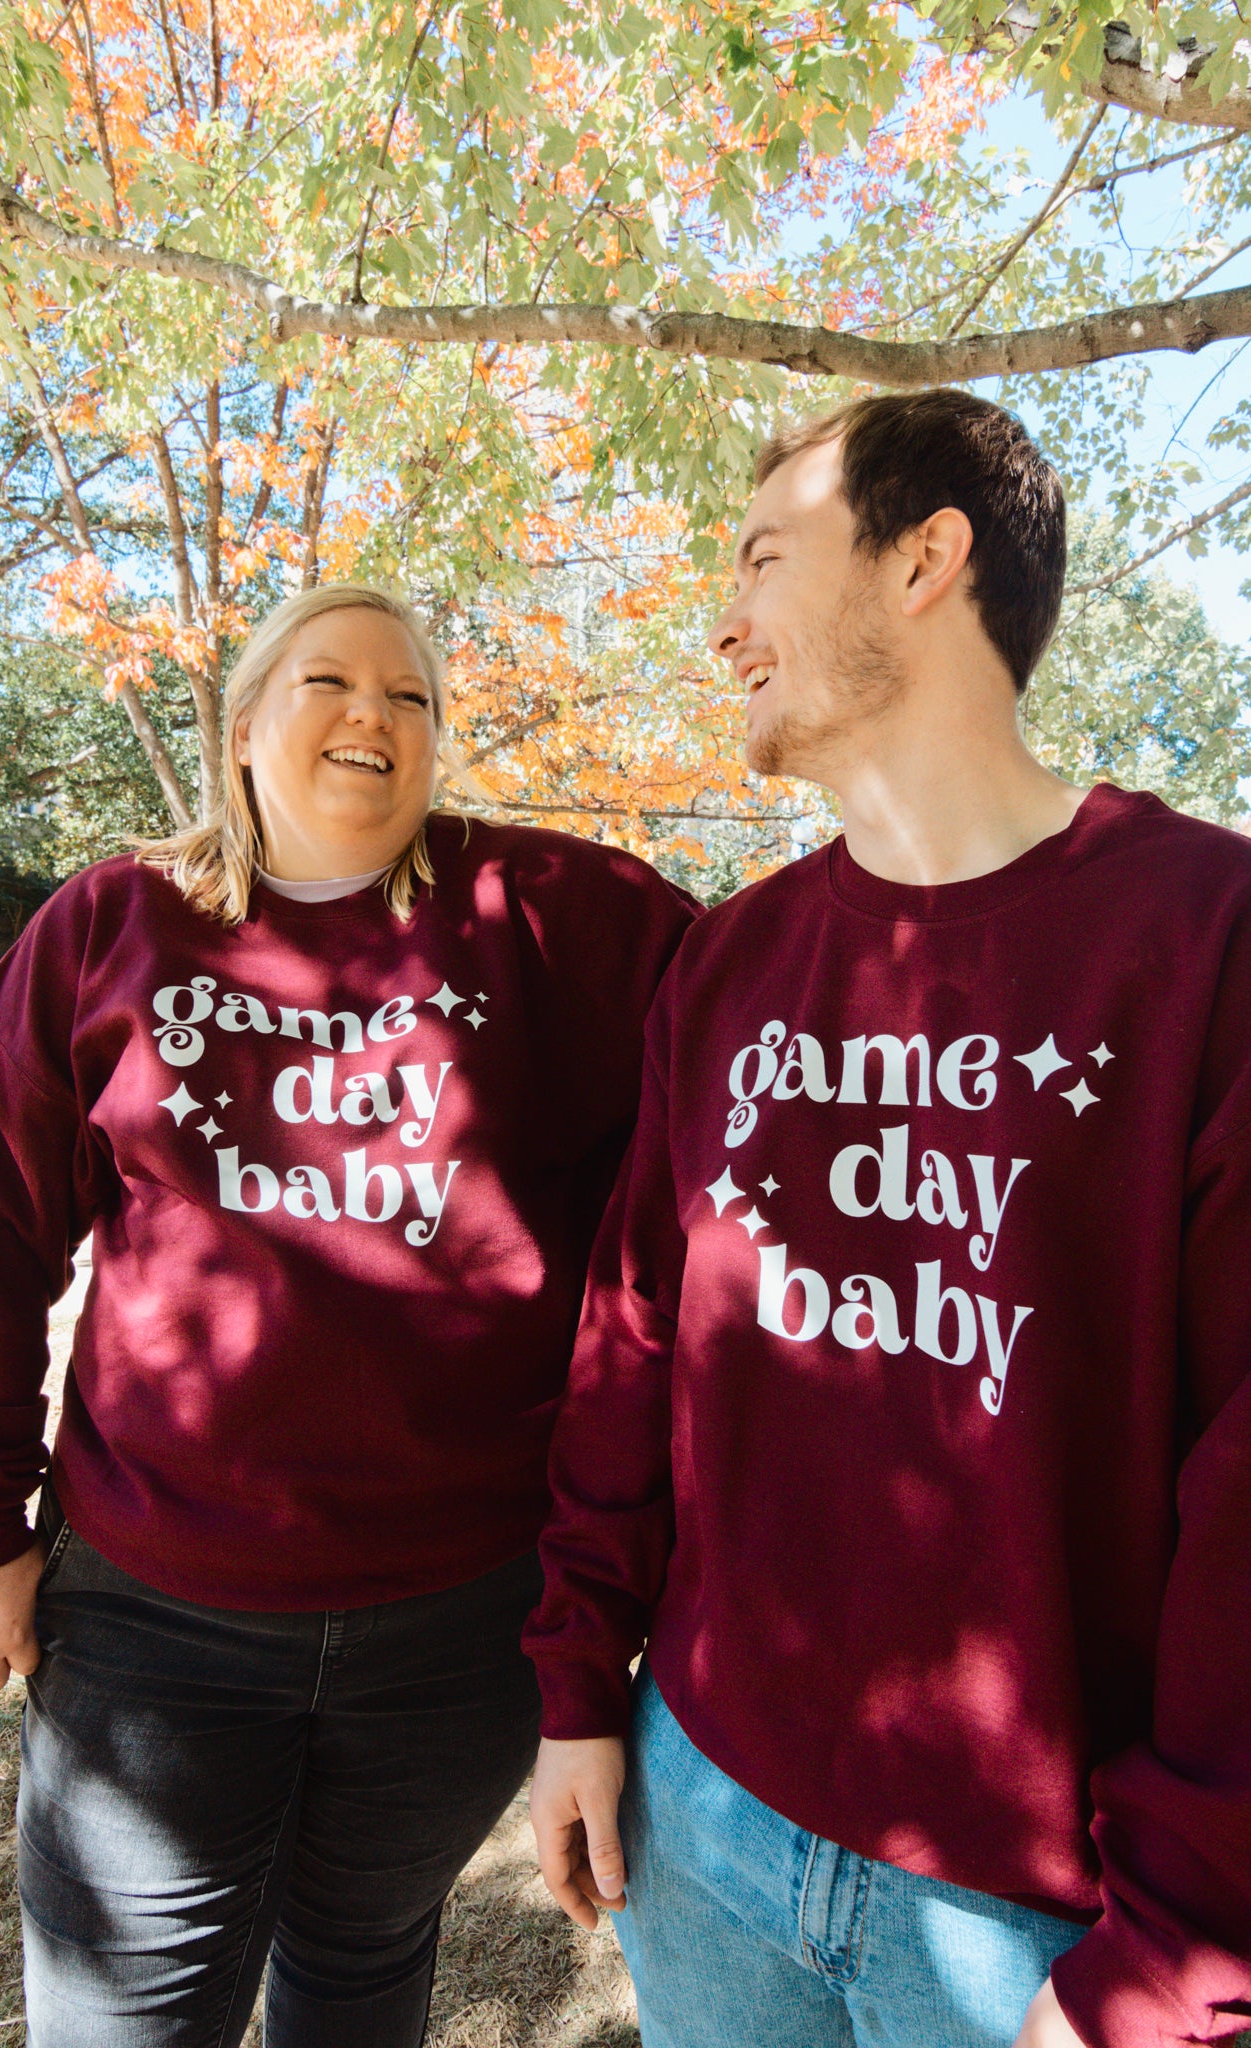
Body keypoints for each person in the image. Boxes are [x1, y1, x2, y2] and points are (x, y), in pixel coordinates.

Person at [523, 392, 1251, 2048]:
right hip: (699, 1803)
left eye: (763, 559)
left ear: (926, 559)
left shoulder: (1214, 943)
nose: (722, 624)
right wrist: (581, 1688)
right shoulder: (726, 961)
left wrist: (1182, 1943)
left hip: (1040, 1909)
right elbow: (634, 1338)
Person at [0, 581, 695, 2048]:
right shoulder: (113, 925)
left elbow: (786, 986)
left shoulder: (549, 921)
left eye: (414, 698)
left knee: (364, 1966)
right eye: (328, 680)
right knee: (128, 2016)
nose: (375, 715)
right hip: (154, 1611)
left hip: (459, 1619)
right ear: (245, 724)